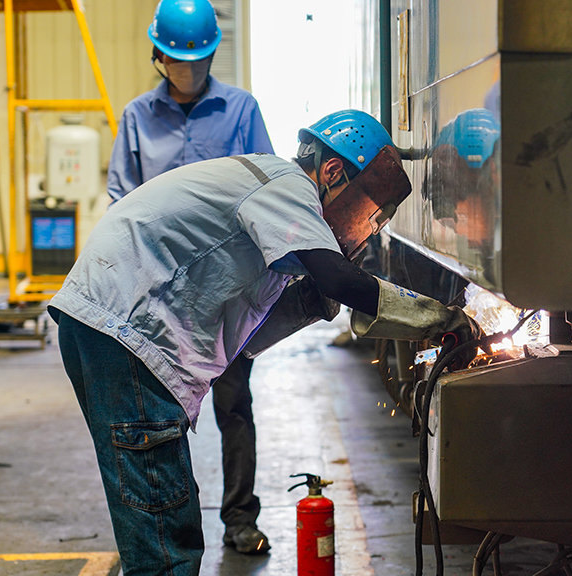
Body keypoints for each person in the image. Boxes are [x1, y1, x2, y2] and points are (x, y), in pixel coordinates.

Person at [49, 109, 474, 576]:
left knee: (165, 520)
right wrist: (441, 320)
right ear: (333, 172)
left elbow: (250, 337)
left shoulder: (271, 210)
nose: (369, 230)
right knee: (165, 543)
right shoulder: (287, 188)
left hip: (114, 330)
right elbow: (338, 278)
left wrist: (313, 300)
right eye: (370, 214)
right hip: (127, 332)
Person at [106, 0, 274, 554]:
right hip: (158, 298)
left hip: (227, 291)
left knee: (234, 407)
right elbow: (121, 205)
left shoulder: (241, 110)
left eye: (198, 60)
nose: (189, 70)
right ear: (159, 56)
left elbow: (267, 189)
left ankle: (240, 519)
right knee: (157, 419)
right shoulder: (137, 117)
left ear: (212, 55)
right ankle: (165, 531)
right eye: (179, 61)